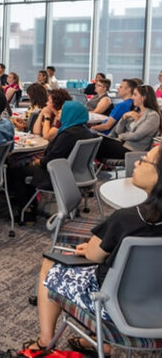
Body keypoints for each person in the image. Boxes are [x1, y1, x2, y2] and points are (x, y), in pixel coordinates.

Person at [22, 144, 162, 355]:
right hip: (156, 301)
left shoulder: (127, 218)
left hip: (114, 306)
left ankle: (45, 342)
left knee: (51, 263)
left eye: (145, 160)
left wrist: (89, 247)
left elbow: (94, 255)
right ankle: (97, 340)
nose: (138, 163)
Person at [7, 101, 95, 221]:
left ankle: (28, 211)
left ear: (70, 113)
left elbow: (50, 159)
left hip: (55, 173)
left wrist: (36, 162)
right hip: (76, 172)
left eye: (63, 110)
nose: (59, 112)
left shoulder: (67, 134)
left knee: (18, 169)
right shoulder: (85, 132)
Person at [97, 85, 161, 160]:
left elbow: (136, 136)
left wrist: (121, 136)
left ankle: (86, 168)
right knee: (94, 139)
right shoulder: (134, 112)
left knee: (95, 143)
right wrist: (124, 118)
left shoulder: (152, 116)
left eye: (135, 95)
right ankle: (87, 168)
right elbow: (118, 131)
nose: (132, 97)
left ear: (144, 97)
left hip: (133, 150)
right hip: (122, 145)